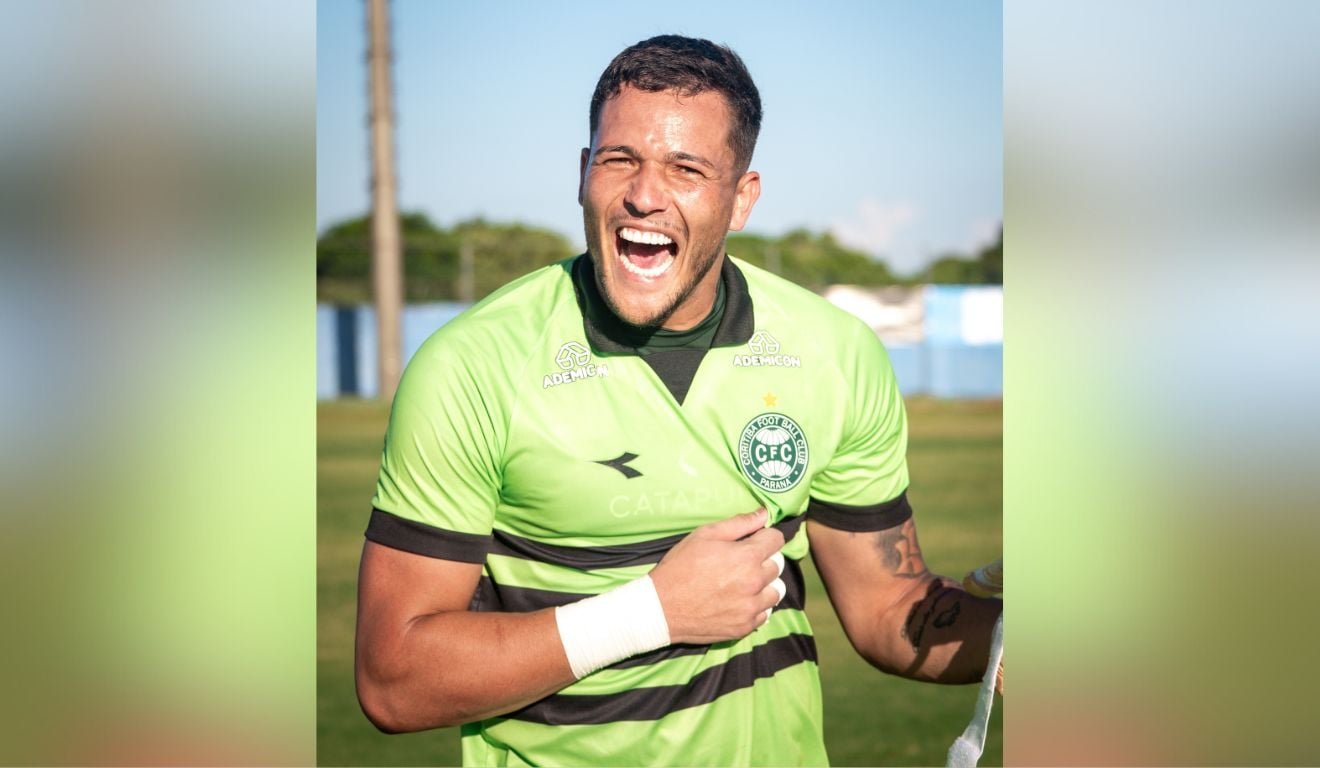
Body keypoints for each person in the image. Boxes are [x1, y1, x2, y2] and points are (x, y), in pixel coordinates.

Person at [355, 34, 1002, 766]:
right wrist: (651, 613)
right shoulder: (473, 366)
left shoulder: (835, 354)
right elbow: (392, 678)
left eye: (686, 169)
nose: (645, 194)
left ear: (742, 198)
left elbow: (892, 611)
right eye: (618, 159)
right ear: (582, 173)